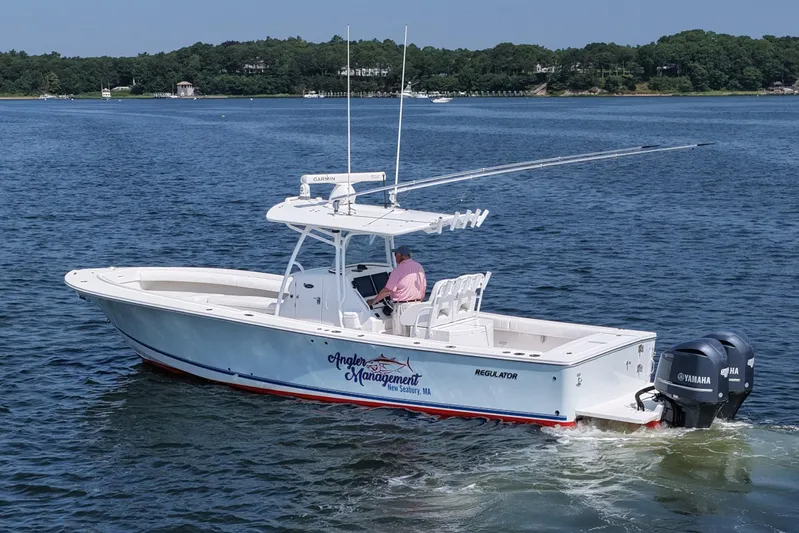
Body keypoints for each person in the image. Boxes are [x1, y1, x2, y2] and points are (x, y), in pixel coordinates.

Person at [367, 245, 427, 336]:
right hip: (417, 306)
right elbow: (423, 287)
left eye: (395, 254)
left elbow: (387, 290)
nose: (395, 257)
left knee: (401, 336)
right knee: (415, 335)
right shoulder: (419, 267)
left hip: (402, 308)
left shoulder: (398, 270)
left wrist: (373, 301)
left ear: (400, 255)